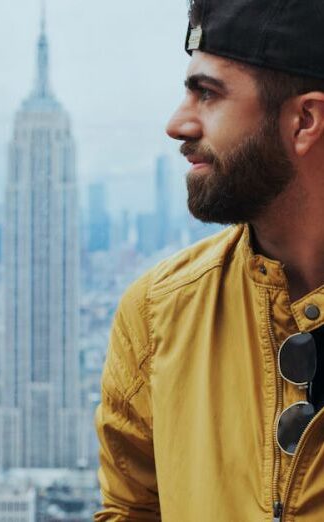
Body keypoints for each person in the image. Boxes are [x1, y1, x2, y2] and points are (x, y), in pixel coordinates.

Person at [94, 0, 324, 520]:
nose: (178, 124)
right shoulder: (157, 314)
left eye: (208, 94)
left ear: (304, 120)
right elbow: (130, 511)